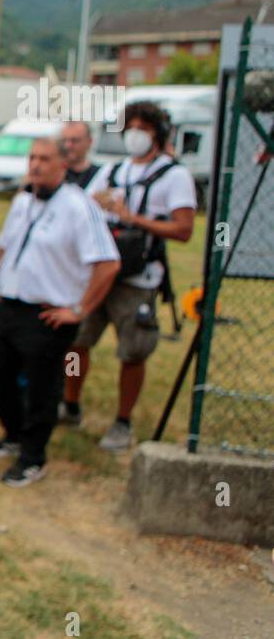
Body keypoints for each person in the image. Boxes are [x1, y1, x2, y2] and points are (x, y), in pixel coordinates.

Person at [0, 137, 120, 486]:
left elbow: (107, 264)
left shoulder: (78, 207)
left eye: (44, 159)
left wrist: (78, 309)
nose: (36, 165)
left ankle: (33, 456)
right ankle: (13, 434)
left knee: (42, 388)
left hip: (46, 314)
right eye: (32, 158)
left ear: (64, 165)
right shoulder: (23, 201)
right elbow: (6, 246)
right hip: (9, 304)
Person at [61, 101, 196, 450]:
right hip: (101, 271)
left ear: (157, 133)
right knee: (77, 342)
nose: (135, 135)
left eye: (144, 129)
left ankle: (122, 421)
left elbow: (183, 230)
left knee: (132, 352)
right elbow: (86, 208)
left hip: (139, 277)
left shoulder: (175, 176)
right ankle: (70, 403)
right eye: (131, 128)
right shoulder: (113, 171)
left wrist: (133, 218)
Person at [62, 120, 101, 190]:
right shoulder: (53, 174)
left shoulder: (100, 176)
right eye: (64, 140)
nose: (68, 145)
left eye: (75, 140)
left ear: (89, 142)